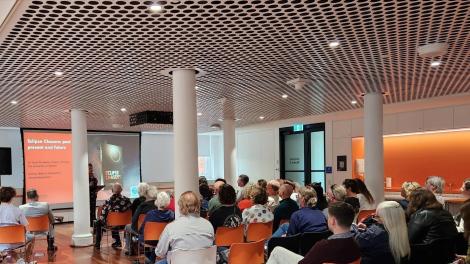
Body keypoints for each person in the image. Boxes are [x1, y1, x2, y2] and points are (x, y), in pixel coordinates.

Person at [266, 202, 361, 264]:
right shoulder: (356, 244)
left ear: (333, 221)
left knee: (276, 252)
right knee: (278, 251)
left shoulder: (324, 246)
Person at [154, 191, 214, 264]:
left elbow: (160, 253)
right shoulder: (208, 225)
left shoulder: (171, 227)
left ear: (180, 206)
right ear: (198, 205)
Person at [407, 188, 457, 262]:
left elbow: (409, 239)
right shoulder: (446, 213)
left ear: (415, 201)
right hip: (447, 256)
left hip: (424, 256)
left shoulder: (422, 215)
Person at [0, 187, 34, 263]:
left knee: (8, 245)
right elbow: (25, 227)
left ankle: (19, 260)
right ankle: (26, 261)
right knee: (32, 237)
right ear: (12, 197)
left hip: (0, 242)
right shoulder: (18, 210)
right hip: (16, 241)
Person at [94, 183, 132, 250]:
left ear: (112, 190)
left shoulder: (109, 201)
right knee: (114, 221)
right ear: (121, 190)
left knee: (99, 222)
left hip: (112, 224)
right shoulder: (127, 200)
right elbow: (131, 211)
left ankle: (97, 244)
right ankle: (117, 242)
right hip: (124, 224)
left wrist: (99, 219)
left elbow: (103, 214)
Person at [140, 191, 175, 263]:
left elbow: (142, 229)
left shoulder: (150, 214)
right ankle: (151, 259)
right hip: (165, 242)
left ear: (157, 201)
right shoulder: (172, 214)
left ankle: (150, 260)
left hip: (150, 240)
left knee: (142, 237)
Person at [124, 185, 157, 255]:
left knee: (127, 227)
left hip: (142, 230)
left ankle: (130, 250)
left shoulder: (142, 205)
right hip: (157, 231)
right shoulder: (158, 205)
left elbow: (134, 219)